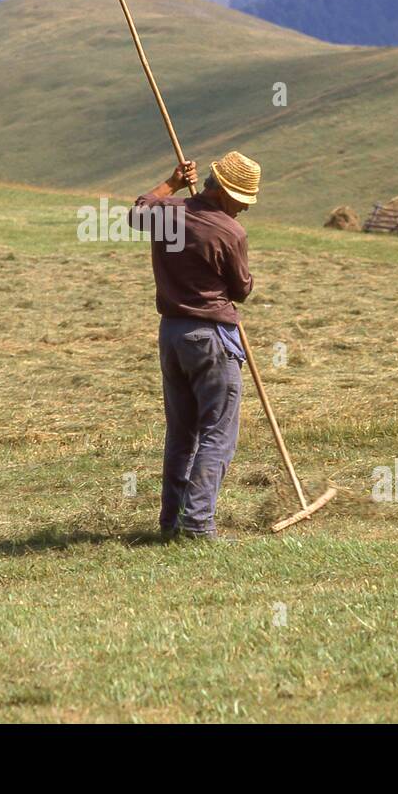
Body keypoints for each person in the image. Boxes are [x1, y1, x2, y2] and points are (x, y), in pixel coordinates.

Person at [130, 150, 259, 538]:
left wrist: (170, 182)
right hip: (211, 340)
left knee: (182, 433)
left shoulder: (167, 214)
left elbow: (137, 211)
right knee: (218, 433)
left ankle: (171, 522)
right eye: (242, 200)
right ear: (224, 192)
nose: (245, 209)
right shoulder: (228, 232)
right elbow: (242, 288)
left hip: (172, 335)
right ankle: (198, 525)